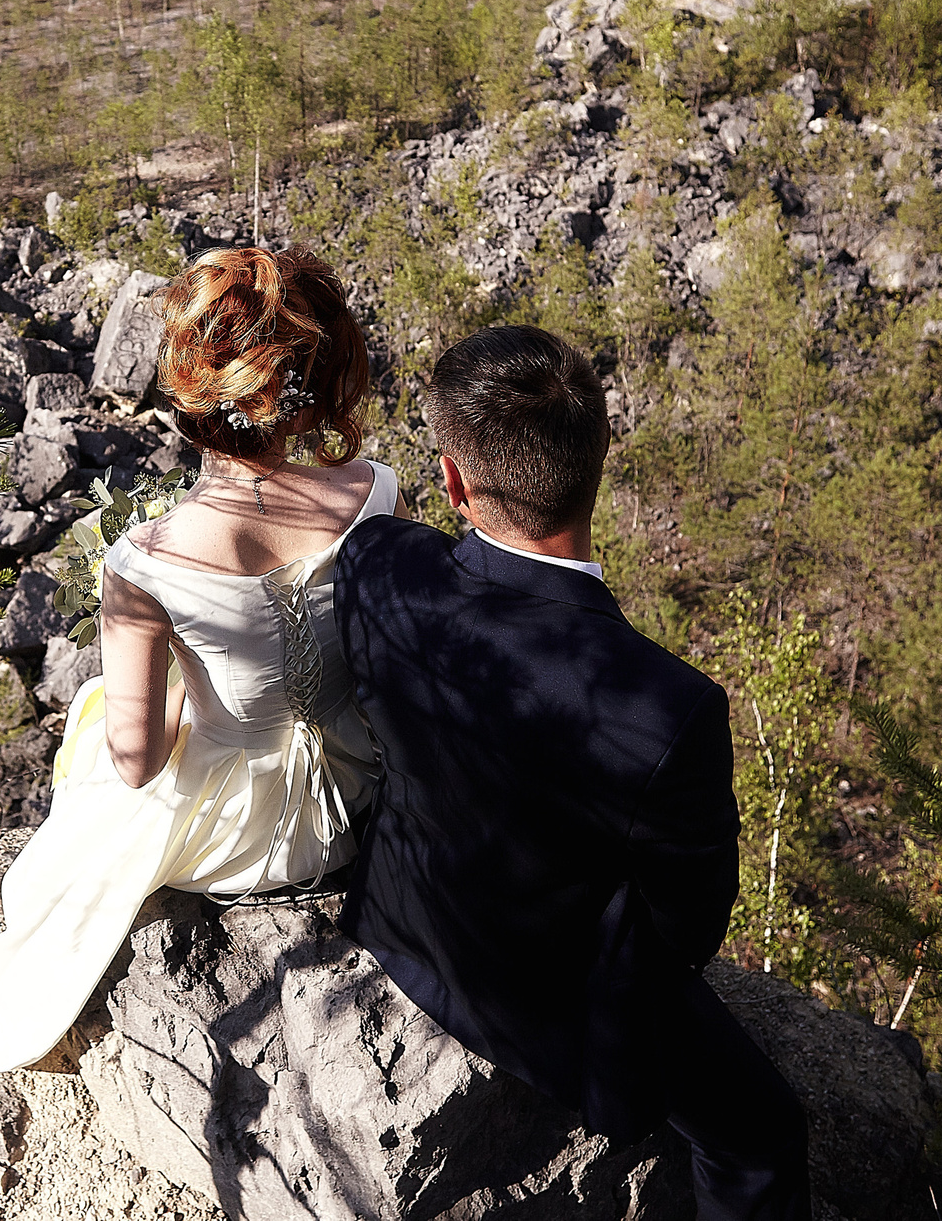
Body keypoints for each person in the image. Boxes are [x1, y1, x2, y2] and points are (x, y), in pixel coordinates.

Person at [335, 325, 813, 1221]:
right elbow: (688, 929)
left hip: (402, 917)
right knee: (763, 1137)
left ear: (453, 481)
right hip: (553, 1012)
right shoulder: (669, 708)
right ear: (599, 461)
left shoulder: (377, 564)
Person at [0, 245, 397, 1072]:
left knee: (96, 723)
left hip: (252, 839)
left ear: (188, 392)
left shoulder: (145, 563)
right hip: (359, 789)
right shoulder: (374, 493)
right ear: (303, 390)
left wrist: (190, 689)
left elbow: (140, 763)